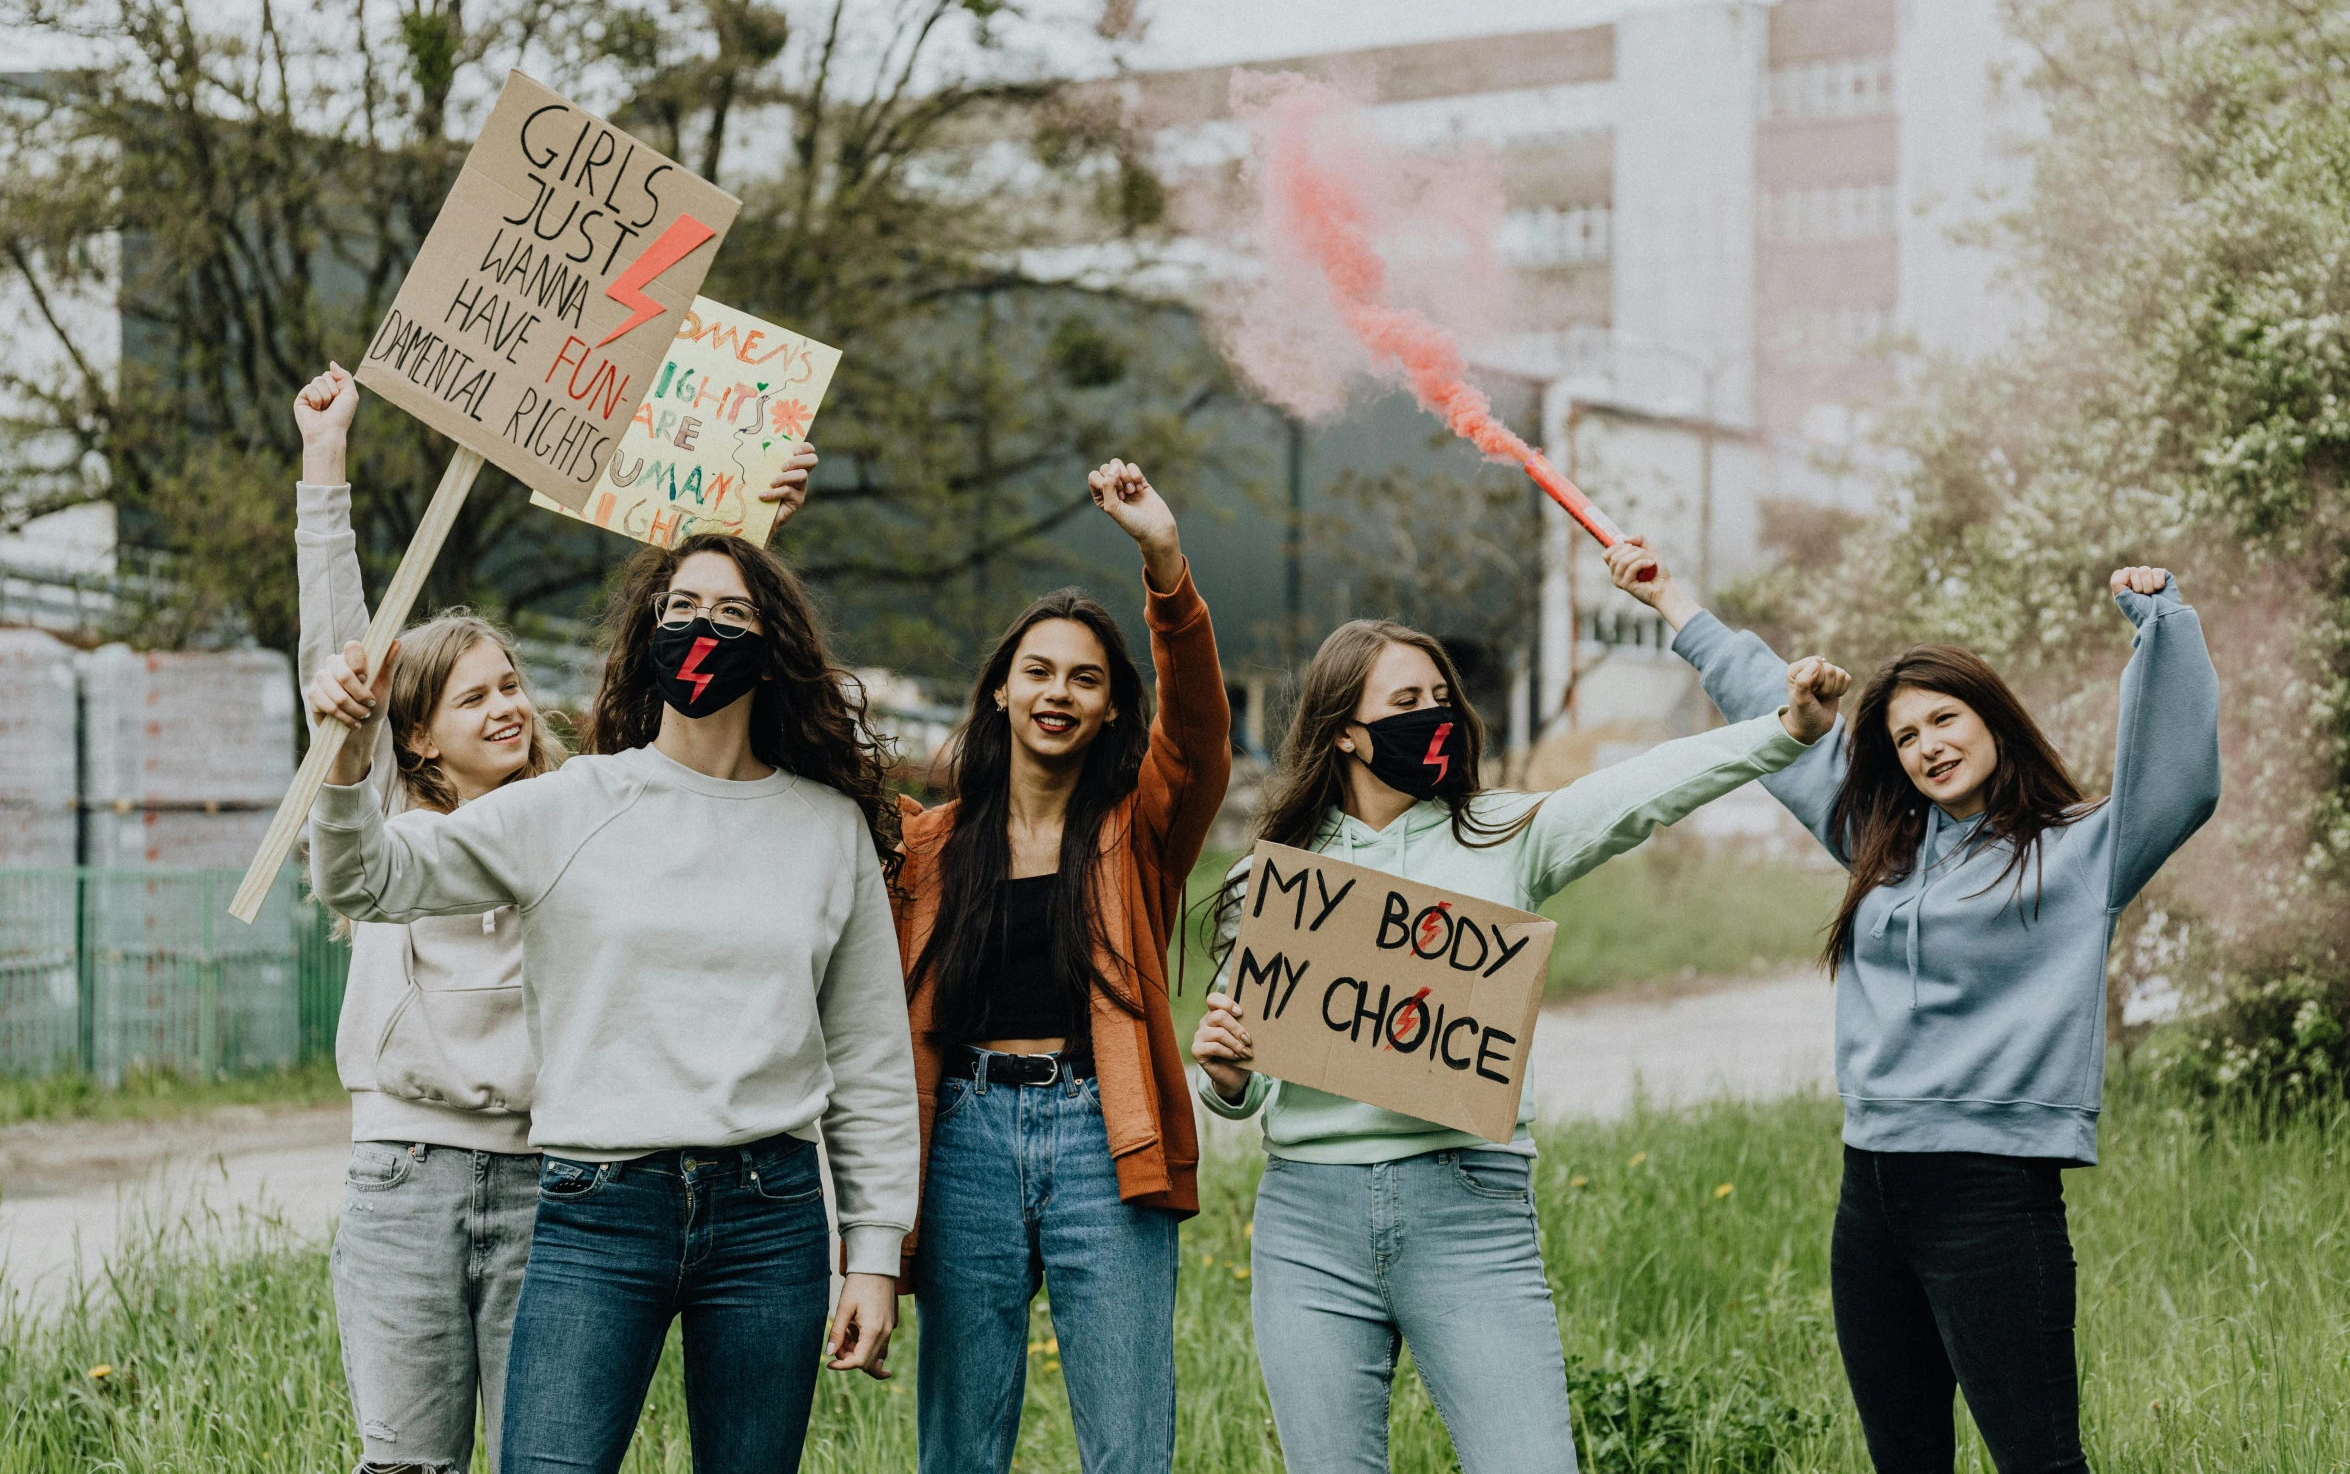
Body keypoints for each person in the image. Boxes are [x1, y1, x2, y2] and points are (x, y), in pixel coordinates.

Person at [305, 515, 912, 1474]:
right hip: (599, 1209)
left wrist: (873, 1254)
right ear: (647, 632)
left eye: (729, 611)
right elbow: (365, 880)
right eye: (679, 608)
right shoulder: (571, 804)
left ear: (772, 646)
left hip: (770, 1215)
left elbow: (873, 1058)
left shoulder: (827, 828)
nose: (699, 627)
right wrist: (344, 762)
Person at [1604, 539, 2219, 1474]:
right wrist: (1672, 599)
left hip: (1992, 1194)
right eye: (1905, 736)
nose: (1928, 745)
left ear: (1993, 720)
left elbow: (2180, 777)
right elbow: (1781, 713)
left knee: (2040, 1461)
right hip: (1872, 1193)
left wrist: (2162, 621)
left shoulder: (2083, 850)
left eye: (1945, 718)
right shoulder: (1879, 843)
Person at [1191, 618, 1846, 1474]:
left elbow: (1644, 788)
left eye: (1440, 699)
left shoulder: (1503, 832)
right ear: (1346, 729)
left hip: (1468, 1208)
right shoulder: (1276, 878)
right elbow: (1248, 1082)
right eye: (1404, 702)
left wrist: (1784, 731)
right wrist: (1230, 1077)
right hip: (1308, 1224)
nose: (1432, 716)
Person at [896, 459, 1230, 1474]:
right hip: (963, 1139)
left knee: (1128, 1444)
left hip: (1103, 1134)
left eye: (1085, 678)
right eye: (1038, 671)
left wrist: (1162, 560)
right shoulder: (925, 847)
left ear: (1112, 709)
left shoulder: (1144, 832)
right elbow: (800, 742)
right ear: (1000, 689)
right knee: (961, 1442)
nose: (1058, 692)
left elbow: (1204, 733)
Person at [294, 362, 567, 1474]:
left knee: (547, 1460)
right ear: (418, 738)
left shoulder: (572, 820)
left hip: (554, 1183)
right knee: (408, 1466)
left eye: (511, 684)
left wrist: (753, 522)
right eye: (474, 695)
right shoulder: (387, 834)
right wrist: (325, 463)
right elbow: (346, 655)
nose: (506, 704)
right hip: (405, 1175)